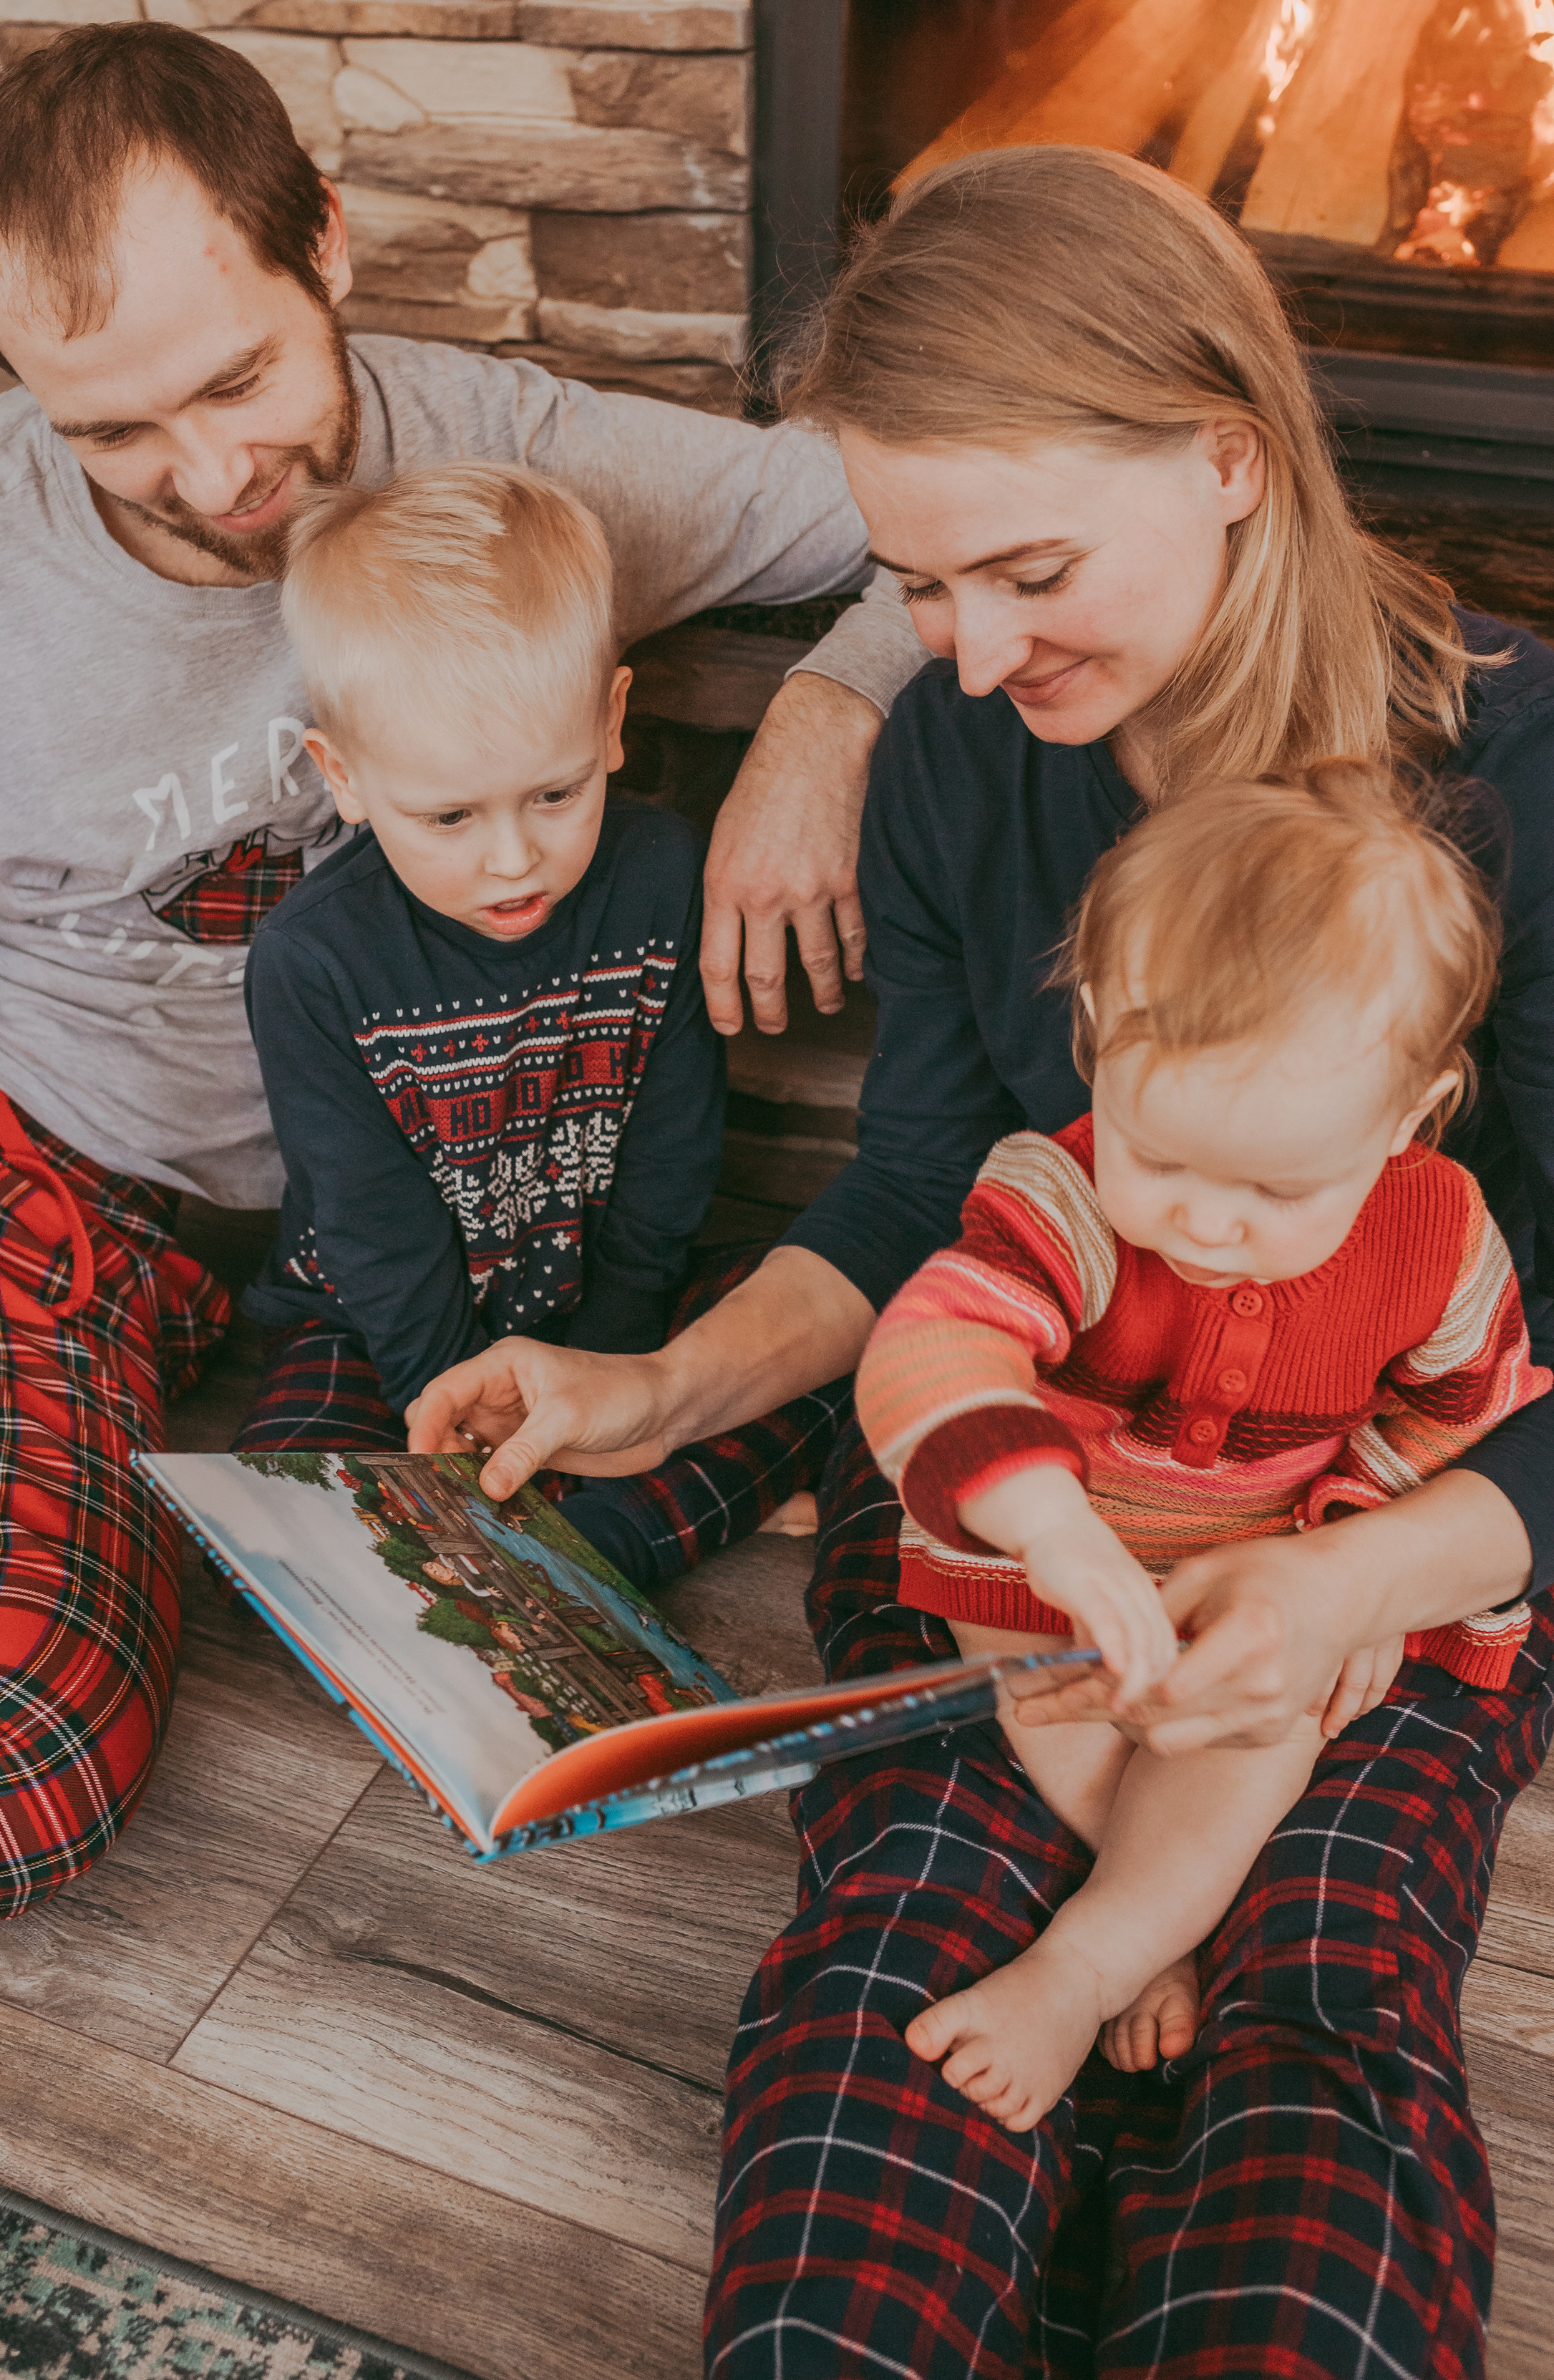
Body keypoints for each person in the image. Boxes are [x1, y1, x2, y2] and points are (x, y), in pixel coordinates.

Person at [406, 145, 1554, 2375]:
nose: (973, 652)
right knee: (906, 1915)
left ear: (1227, 457)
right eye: (916, 589)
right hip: (1006, 1499)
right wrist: (655, 1393)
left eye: (1025, 571)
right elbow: (916, 1204)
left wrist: (1338, 1593)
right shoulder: (955, 748)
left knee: (1321, 1979)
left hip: (1385, 1539)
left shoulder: (1519, 764)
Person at [0, 22, 923, 1943]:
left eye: (239, 378)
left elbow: (921, 504)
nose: (212, 473)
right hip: (53, 1181)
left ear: (329, 252)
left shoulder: (519, 461)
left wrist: (827, 712)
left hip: (408, 1232)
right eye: (109, 428)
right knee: (7, 1761)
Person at [854, 762, 1548, 2134]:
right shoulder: (1057, 1192)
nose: (1208, 1225)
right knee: (1069, 1714)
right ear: (1101, 1038)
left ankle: (1082, 1962)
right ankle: (1150, 1916)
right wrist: (1051, 1529)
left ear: (1409, 1119)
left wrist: (1356, 1556)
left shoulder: (1440, 1233)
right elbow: (933, 1347)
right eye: (1161, 1156)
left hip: (1264, 1557)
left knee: (1252, 1740)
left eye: (1280, 1188)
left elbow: (1461, 1408)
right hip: (1049, 1561)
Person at [236, 462, 844, 1586]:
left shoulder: (659, 877)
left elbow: (672, 1146)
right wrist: (456, 1403)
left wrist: (603, 1369)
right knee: (291, 1505)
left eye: (553, 795)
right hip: (373, 1324)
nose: (513, 858)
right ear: (345, 776)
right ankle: (578, 1529)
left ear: (612, 721)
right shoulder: (313, 959)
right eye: (451, 815)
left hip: (603, 1303)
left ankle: (573, 1535)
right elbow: (368, 1220)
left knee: (828, 1348)